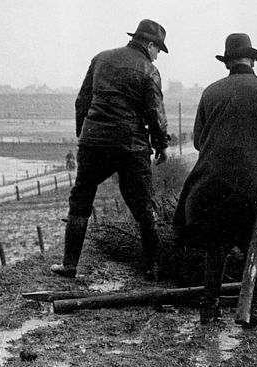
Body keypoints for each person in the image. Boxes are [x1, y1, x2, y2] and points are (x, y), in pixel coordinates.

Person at [173, 33, 257, 326]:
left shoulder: (210, 92)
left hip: (207, 183)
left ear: (228, 61)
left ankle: (210, 306)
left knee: (216, 244)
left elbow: (198, 141)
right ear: (252, 59)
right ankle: (250, 308)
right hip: (250, 186)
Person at [50, 19, 170, 280]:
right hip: (132, 145)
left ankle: (69, 266)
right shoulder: (149, 70)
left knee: (81, 196)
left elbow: (82, 101)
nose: (158, 55)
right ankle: (152, 269)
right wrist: (161, 145)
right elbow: (155, 114)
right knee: (143, 205)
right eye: (158, 49)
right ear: (149, 45)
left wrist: (84, 133)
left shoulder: (100, 59)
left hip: (94, 143)